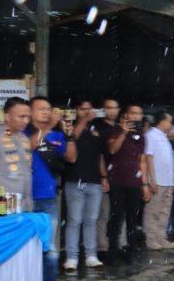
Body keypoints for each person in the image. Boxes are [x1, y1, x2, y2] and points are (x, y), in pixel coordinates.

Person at [26, 96, 76, 281]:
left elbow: (72, 158)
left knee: (50, 247)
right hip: (26, 198)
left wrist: (70, 137)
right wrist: (47, 129)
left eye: (49, 109)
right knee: (27, 247)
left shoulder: (56, 134)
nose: (47, 113)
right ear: (30, 112)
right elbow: (27, 148)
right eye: (42, 109)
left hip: (48, 196)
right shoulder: (23, 132)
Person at [62, 100, 108, 271]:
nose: (87, 112)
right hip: (75, 181)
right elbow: (72, 138)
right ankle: (72, 257)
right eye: (83, 109)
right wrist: (83, 121)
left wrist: (104, 177)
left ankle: (91, 255)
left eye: (89, 109)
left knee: (91, 220)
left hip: (95, 182)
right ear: (76, 111)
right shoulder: (69, 127)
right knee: (74, 220)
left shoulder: (97, 130)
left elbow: (101, 155)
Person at [104, 104, 150, 265]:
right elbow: (112, 150)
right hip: (117, 182)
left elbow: (142, 161)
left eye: (139, 113)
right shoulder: (115, 131)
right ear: (126, 115)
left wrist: (145, 184)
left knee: (132, 219)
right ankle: (113, 252)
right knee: (116, 218)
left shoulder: (142, 136)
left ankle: (131, 251)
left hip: (135, 183)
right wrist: (123, 132)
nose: (137, 116)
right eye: (133, 113)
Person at [143, 111, 174, 250]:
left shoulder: (164, 137)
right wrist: (152, 179)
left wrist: (172, 182)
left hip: (168, 182)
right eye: (169, 121)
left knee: (164, 212)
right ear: (162, 121)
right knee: (153, 211)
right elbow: (148, 158)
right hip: (157, 181)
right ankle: (151, 239)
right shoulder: (150, 135)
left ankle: (161, 237)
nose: (171, 125)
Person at [94, 99, 121, 254]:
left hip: (120, 176)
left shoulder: (120, 128)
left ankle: (117, 243)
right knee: (102, 213)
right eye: (108, 108)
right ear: (103, 109)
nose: (111, 111)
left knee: (118, 212)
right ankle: (101, 245)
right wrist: (103, 176)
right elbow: (99, 154)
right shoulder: (97, 127)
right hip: (102, 176)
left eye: (114, 108)